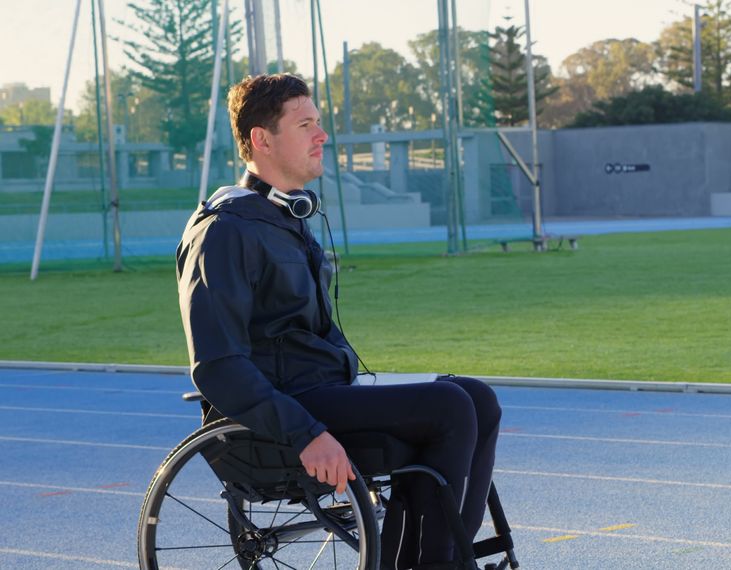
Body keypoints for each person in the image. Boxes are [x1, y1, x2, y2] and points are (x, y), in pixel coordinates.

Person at [175, 73, 501, 570]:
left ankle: (434, 555)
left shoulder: (287, 221)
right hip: (281, 411)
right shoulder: (224, 231)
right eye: (305, 124)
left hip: (324, 391)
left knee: (478, 398)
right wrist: (305, 432)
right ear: (262, 140)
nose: (321, 135)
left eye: (319, 123)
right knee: (450, 406)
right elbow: (217, 365)